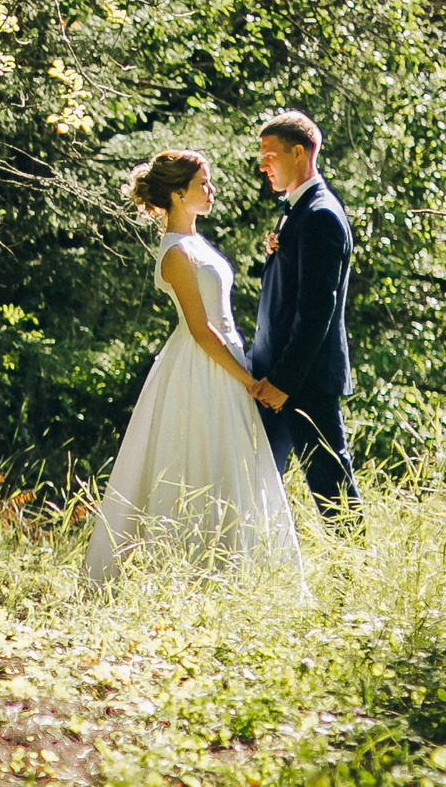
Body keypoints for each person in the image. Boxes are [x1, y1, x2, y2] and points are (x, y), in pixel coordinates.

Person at [84, 149, 306, 592]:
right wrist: (248, 379)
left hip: (226, 359)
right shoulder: (174, 252)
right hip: (202, 364)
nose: (211, 189)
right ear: (177, 193)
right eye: (203, 183)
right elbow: (201, 329)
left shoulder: (197, 243)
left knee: (233, 463)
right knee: (195, 459)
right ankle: (187, 569)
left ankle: (239, 572)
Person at [246, 110, 361, 519]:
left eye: (269, 155)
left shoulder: (321, 215)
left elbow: (316, 311)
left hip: (302, 380)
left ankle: (354, 572)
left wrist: (282, 382)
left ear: (299, 153)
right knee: (259, 481)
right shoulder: (297, 210)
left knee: (332, 487)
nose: (262, 165)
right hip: (275, 376)